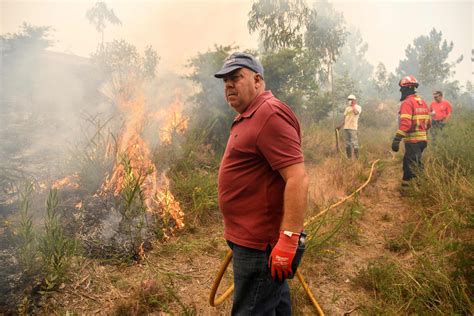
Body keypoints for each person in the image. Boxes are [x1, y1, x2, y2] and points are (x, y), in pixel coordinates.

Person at [214, 52, 309, 315]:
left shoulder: (269, 114)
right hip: (250, 240)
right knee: (274, 305)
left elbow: (297, 178)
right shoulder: (249, 114)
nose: (229, 85)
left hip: (259, 247)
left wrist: (288, 240)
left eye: (236, 77)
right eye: (225, 81)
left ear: (257, 80)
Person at [391, 75, 431, 187]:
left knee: (412, 165)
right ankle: (407, 186)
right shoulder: (422, 102)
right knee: (409, 162)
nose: (400, 91)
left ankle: (417, 188)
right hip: (422, 140)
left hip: (413, 141)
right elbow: (429, 123)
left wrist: (396, 139)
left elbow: (406, 124)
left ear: (407, 88)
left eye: (402, 88)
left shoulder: (407, 103)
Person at [336, 94, 362, 159]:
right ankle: (349, 158)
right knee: (347, 143)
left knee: (354, 143)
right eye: (349, 100)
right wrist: (340, 126)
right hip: (346, 127)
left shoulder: (358, 107)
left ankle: (357, 158)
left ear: (354, 100)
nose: (350, 101)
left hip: (353, 128)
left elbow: (356, 113)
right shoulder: (347, 108)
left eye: (351, 100)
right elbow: (345, 119)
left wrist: (353, 106)